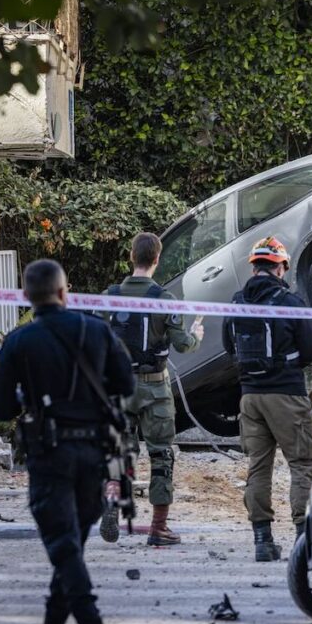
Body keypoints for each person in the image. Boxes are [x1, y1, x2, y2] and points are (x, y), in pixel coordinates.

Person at [0, 259, 134, 624]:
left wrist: (29, 396)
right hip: (94, 455)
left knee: (65, 548)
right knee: (70, 547)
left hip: (50, 457)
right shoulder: (96, 330)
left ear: (27, 297)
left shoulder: (19, 341)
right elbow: (126, 383)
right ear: (64, 292)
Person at [223, 237, 312, 562]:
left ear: (254, 267)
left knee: (258, 466)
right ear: (281, 268)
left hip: (250, 397)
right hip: (287, 395)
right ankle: (304, 542)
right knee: (303, 463)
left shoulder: (237, 302)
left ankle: (262, 541)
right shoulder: (290, 302)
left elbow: (228, 347)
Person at [101, 232, 203, 546]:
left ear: (131, 257)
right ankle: (159, 528)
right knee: (161, 455)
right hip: (155, 387)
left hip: (119, 387)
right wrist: (196, 335)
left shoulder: (109, 297)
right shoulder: (165, 300)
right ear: (157, 259)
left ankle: (112, 500)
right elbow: (183, 345)